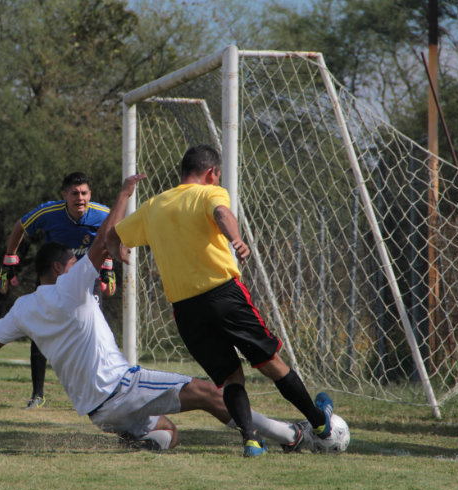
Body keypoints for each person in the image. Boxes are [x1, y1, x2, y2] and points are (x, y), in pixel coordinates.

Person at [0, 175, 309, 455]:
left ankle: (138, 442)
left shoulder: (23, 307)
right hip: (121, 388)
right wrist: (123, 194)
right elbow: (104, 239)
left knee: (167, 433)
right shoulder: (71, 285)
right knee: (210, 393)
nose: (81, 264)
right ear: (60, 268)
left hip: (98, 414)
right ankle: (290, 435)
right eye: (75, 261)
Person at [107, 144, 335, 456]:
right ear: (212, 173)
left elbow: (114, 234)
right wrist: (236, 238)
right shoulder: (208, 194)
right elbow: (221, 213)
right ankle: (320, 423)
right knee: (270, 363)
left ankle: (251, 441)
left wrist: (116, 253)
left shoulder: (153, 206)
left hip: (186, 310)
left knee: (230, 378)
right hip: (223, 295)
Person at [0, 171, 116, 409]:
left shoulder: (102, 214)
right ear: (65, 196)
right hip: (53, 280)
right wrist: (9, 259)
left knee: (92, 331)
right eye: (74, 193)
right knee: (41, 330)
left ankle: (100, 391)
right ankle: (37, 394)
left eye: (84, 193)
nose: (79, 198)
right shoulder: (49, 213)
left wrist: (108, 268)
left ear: (90, 194)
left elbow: (113, 235)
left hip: (84, 281)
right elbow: (20, 226)